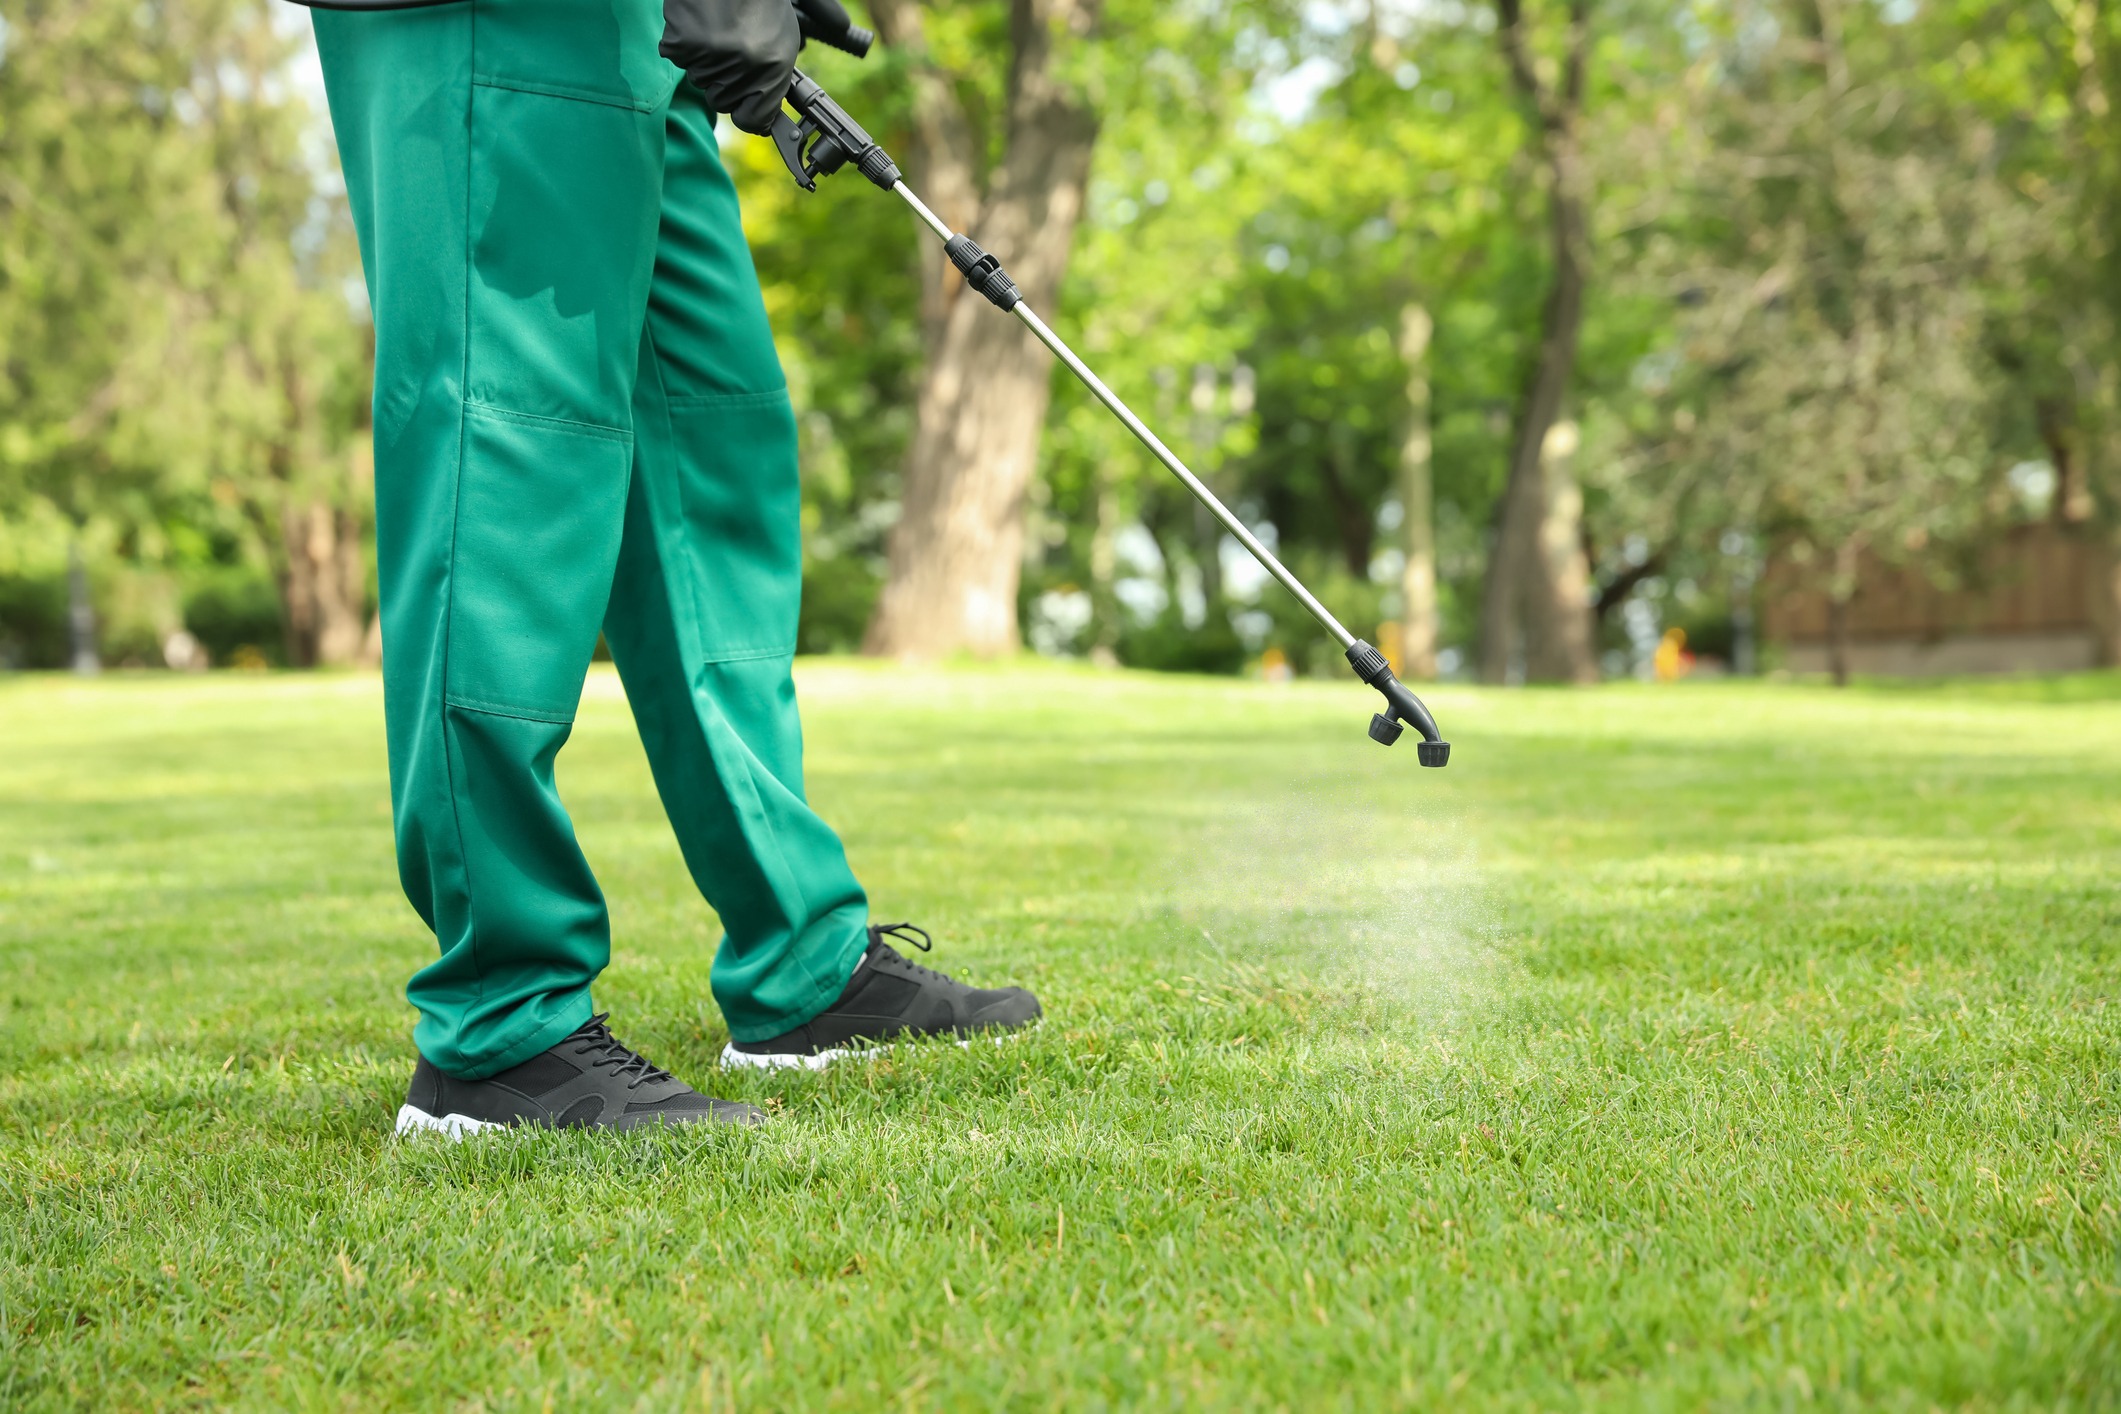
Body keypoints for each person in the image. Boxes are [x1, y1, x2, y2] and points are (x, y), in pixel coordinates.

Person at [292, 0, 1041, 1136]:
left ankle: (801, 965)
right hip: (485, 17)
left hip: (636, 40)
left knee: (709, 436)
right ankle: (501, 1028)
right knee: (509, 449)